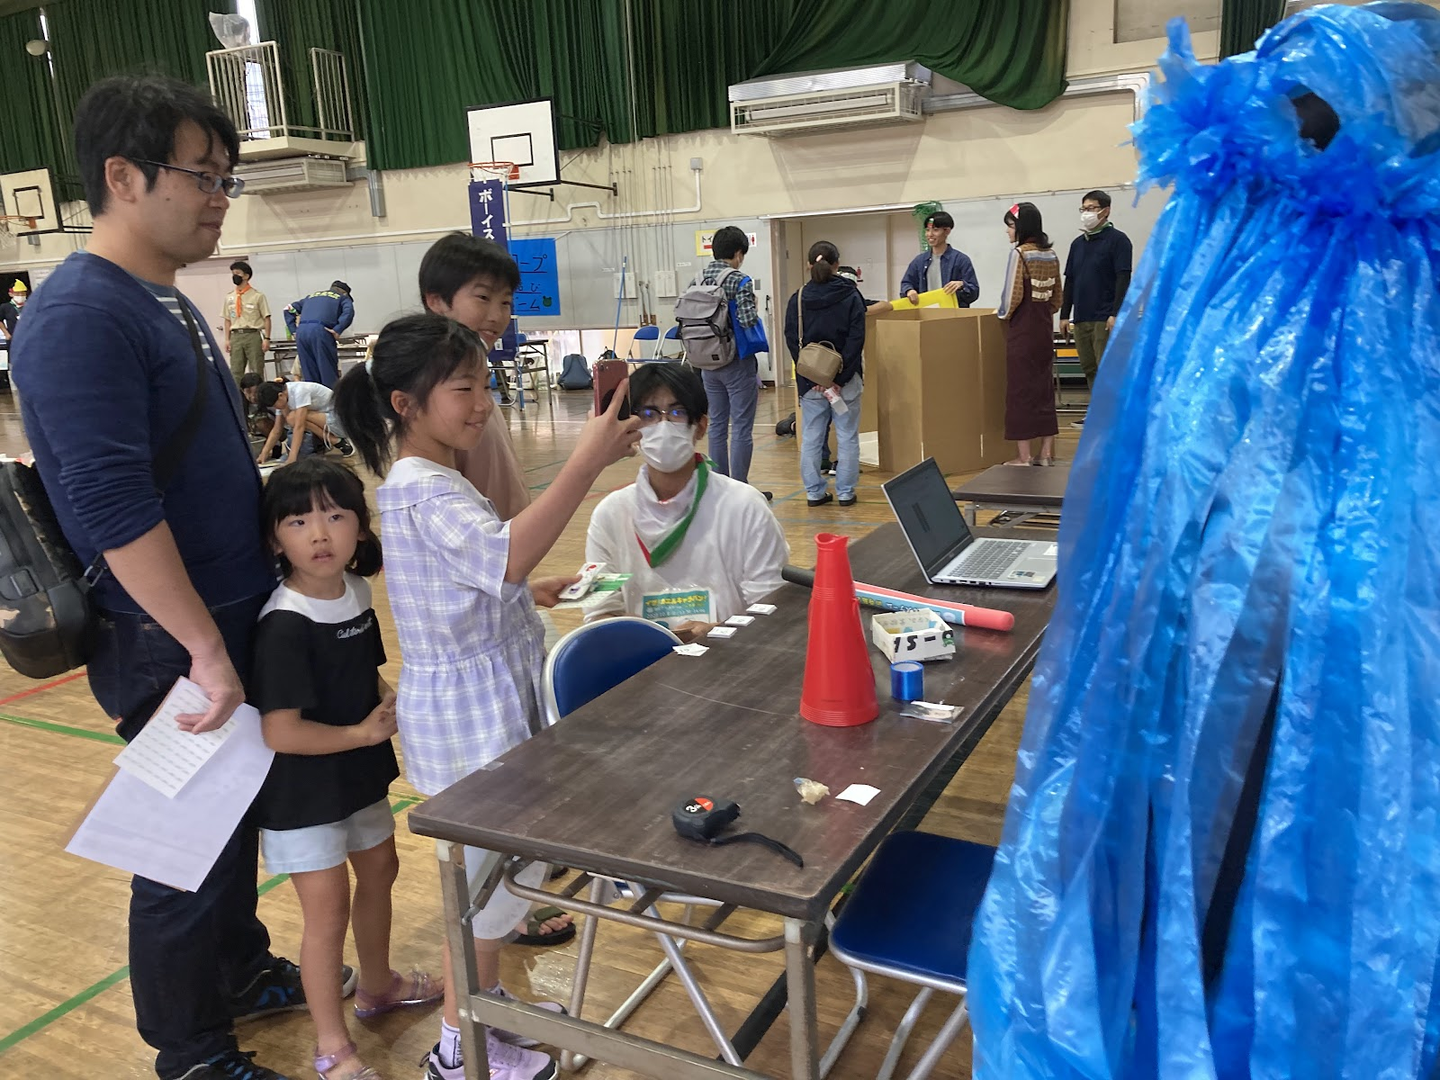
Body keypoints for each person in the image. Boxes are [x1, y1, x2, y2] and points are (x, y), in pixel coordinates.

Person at [13, 74, 347, 1080]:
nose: (219, 198)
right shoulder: (78, 315)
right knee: (183, 852)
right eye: (202, 176)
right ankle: (190, 1052)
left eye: (224, 178)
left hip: (224, 612)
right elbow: (113, 505)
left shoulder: (163, 298)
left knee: (230, 827)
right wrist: (203, 647)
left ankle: (236, 972)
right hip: (165, 635)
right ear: (123, 177)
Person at [333, 313, 642, 1080]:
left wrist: (527, 592)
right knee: (483, 891)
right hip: (471, 723)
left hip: (486, 702)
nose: (482, 405)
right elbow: (504, 556)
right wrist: (586, 460)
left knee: (502, 880)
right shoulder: (423, 490)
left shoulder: (435, 482)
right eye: (463, 390)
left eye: (485, 386)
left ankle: (487, 1001)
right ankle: (456, 1046)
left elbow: (465, 583)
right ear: (406, 404)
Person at [252, 458, 442, 1080]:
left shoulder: (356, 593)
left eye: (335, 516)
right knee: (326, 910)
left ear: (360, 527)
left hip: (357, 773)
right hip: (301, 791)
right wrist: (362, 732)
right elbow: (280, 731)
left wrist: (391, 700)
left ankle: (378, 986)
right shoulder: (283, 624)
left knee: (381, 869)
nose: (319, 534)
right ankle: (332, 1045)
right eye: (298, 521)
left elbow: (363, 674)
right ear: (274, 539)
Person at [585, 363, 788, 642]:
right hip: (645, 662)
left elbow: (772, 609)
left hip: (733, 656)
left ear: (700, 426)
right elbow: (598, 613)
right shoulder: (609, 515)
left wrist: (718, 631)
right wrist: (639, 638)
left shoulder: (745, 506)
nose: (663, 426)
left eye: (677, 413)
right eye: (648, 414)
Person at [418, 233, 532, 522]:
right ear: (436, 300)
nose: (497, 315)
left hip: (508, 537)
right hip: (479, 541)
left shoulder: (475, 374)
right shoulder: (432, 387)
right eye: (483, 297)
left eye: (505, 302)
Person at [784, 241, 867, 507]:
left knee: (811, 436)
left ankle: (814, 493)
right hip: (847, 381)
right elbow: (856, 339)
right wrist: (838, 378)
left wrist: (815, 376)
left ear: (808, 265)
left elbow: (792, 339)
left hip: (810, 383)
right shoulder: (851, 295)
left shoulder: (797, 298)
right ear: (836, 265)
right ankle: (845, 493)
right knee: (847, 436)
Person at [691, 225, 766, 490]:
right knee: (742, 427)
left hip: (706, 363)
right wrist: (754, 307)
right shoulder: (739, 280)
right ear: (738, 253)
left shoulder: (696, 280)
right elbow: (747, 321)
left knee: (717, 426)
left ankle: (720, 487)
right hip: (736, 362)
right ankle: (740, 488)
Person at [997, 202, 1062, 466]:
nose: (1008, 231)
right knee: (1044, 389)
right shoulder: (1051, 255)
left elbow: (1012, 295)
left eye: (1010, 226)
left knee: (1020, 390)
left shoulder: (1020, 254)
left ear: (1022, 227)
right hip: (1044, 328)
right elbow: (1057, 298)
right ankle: (1045, 453)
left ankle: (1023, 456)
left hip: (1023, 331)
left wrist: (1002, 314)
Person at [1059, 189, 1133, 420]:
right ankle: (1098, 413)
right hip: (1081, 316)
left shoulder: (1118, 240)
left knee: (1107, 368)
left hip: (1104, 316)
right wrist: (1064, 314)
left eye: (1091, 208)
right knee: (1089, 367)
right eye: (1083, 209)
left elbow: (1123, 278)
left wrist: (1116, 313)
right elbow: (1070, 280)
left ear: (1105, 210)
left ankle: (1113, 416)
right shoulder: (1077, 244)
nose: (1086, 213)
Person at [254, 380, 353, 465]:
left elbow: (299, 426)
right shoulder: (283, 398)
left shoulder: (299, 391)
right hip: (326, 420)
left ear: (280, 395)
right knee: (292, 417)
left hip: (341, 421)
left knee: (293, 418)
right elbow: (277, 429)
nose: (276, 408)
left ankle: (336, 441)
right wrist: (264, 454)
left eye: (275, 405)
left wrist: (292, 458)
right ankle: (335, 441)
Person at [900, 210, 979, 307]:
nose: (930, 234)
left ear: (947, 231)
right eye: (927, 230)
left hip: (953, 313)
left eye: (935, 230)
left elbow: (974, 291)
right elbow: (906, 283)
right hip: (926, 312)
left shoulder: (960, 260)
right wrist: (909, 291)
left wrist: (962, 285)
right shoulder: (919, 261)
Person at [284, 280, 353, 388]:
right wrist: (338, 329)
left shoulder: (310, 297)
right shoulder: (342, 298)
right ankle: (330, 397)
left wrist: (294, 330)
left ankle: (314, 397)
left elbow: (288, 309)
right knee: (327, 371)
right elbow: (348, 312)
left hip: (302, 332)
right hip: (321, 331)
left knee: (309, 372)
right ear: (345, 293)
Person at [222, 260, 270, 383]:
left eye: (238, 273)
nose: (235, 276)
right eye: (233, 273)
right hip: (236, 336)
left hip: (252, 335)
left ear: (246, 276)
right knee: (236, 371)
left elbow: (266, 318)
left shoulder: (257, 296)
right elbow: (227, 320)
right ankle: (239, 395)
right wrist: (227, 339)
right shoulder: (229, 297)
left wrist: (267, 338)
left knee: (256, 369)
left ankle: (258, 394)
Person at [0, 279, 28, 391]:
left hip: (28, 339)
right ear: (11, 294)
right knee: (15, 362)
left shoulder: (30, 305)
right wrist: (6, 333)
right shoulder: (5, 307)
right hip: (13, 340)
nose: (20, 296)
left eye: (23, 293)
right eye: (18, 293)